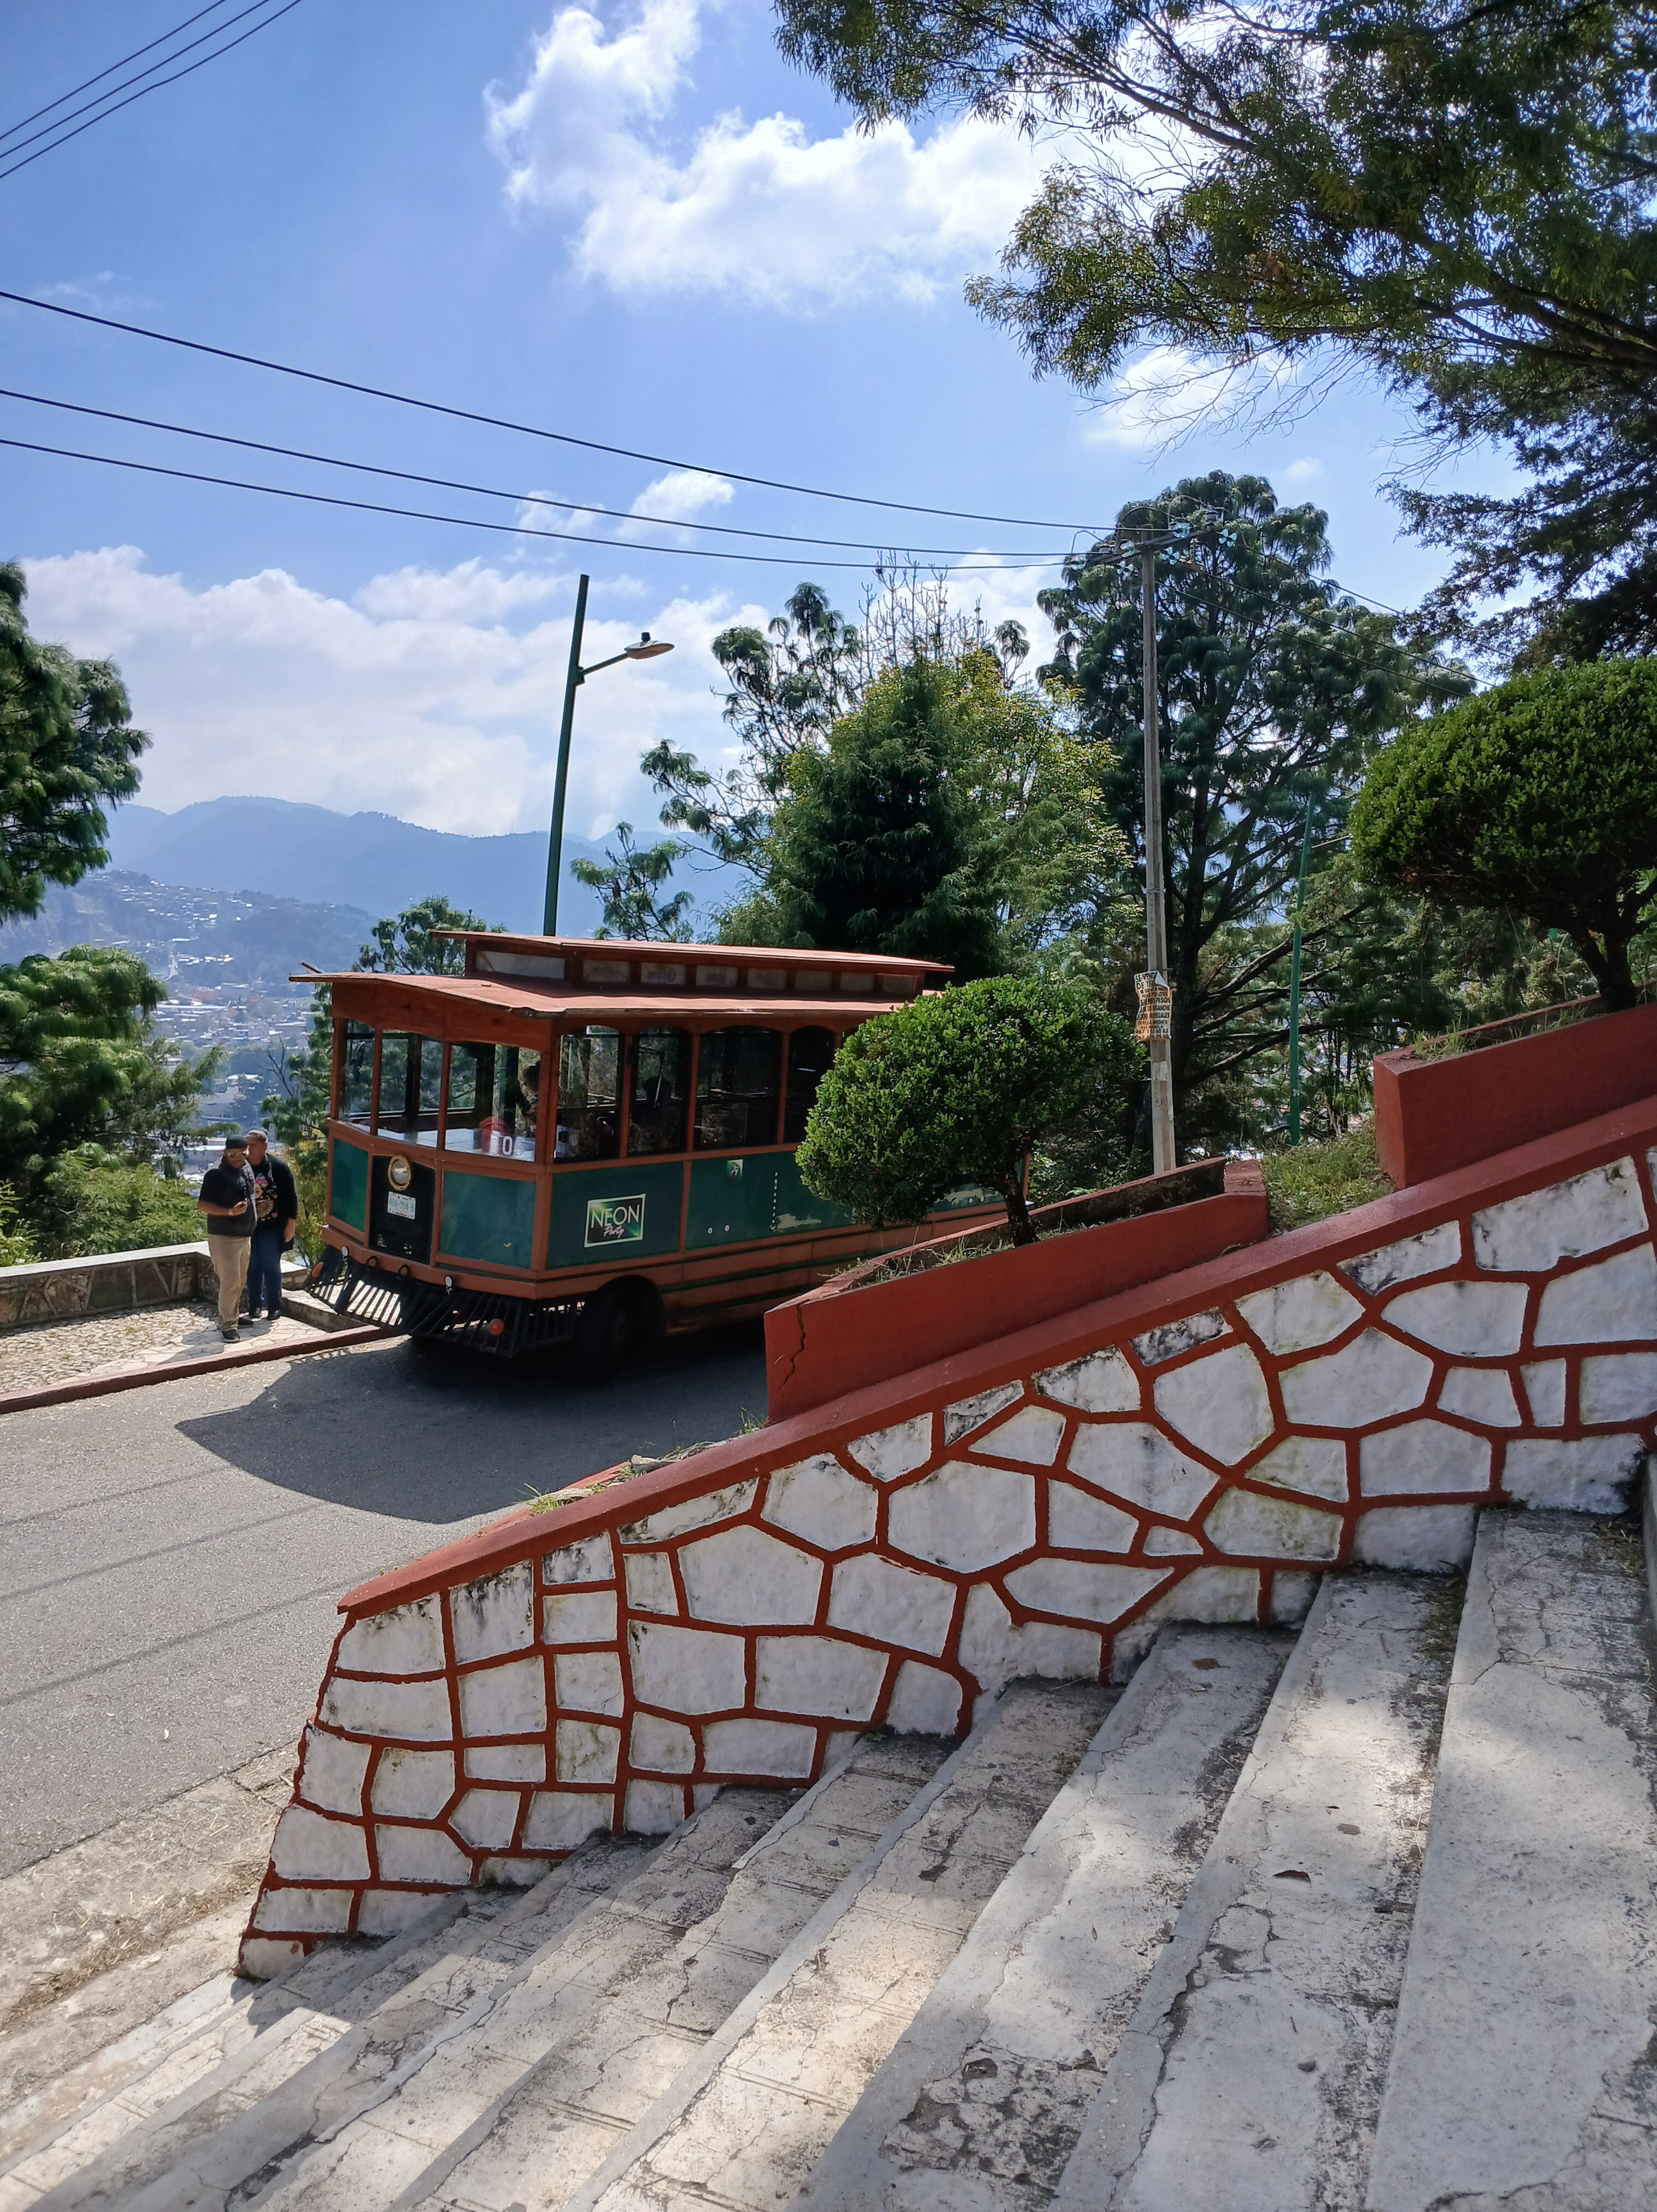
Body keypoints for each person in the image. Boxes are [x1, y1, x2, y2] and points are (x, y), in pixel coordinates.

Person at [197, 1134, 257, 1341]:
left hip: (244, 1234)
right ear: (225, 1153)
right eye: (233, 1155)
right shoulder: (216, 1175)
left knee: (241, 1280)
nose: (238, 1158)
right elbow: (203, 1205)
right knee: (230, 1282)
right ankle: (228, 1325)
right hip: (224, 1236)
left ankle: (233, 1316)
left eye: (242, 1154)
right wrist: (230, 1212)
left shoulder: (246, 1167)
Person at [245, 1129, 298, 1321]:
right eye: (247, 1145)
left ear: (265, 1146)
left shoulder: (278, 1167)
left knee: (270, 1265)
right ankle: (255, 1305)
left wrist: (291, 1223)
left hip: (273, 1225)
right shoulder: (242, 1167)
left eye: (254, 1145)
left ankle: (274, 1305)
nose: (249, 1149)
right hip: (248, 1227)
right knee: (252, 1266)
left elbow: (291, 1197)